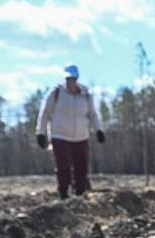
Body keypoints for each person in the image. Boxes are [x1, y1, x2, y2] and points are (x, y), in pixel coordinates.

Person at [36, 65, 105, 199]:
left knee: (81, 167)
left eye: (73, 79)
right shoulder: (56, 93)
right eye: (68, 79)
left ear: (77, 78)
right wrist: (41, 132)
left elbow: (93, 114)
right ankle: (63, 192)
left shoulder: (85, 95)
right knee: (63, 167)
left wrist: (99, 130)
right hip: (60, 136)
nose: (70, 82)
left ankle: (79, 192)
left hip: (81, 137)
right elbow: (44, 113)